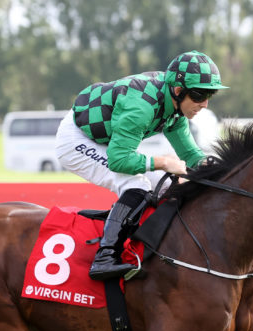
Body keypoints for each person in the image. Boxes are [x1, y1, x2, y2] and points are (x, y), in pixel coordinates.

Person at [55, 50, 228, 280]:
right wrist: (163, 162)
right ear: (178, 91)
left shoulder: (174, 108)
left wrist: (216, 168)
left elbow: (189, 154)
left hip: (109, 140)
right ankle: (104, 258)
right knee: (136, 185)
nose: (205, 104)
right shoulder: (142, 108)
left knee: (168, 186)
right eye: (199, 96)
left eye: (210, 95)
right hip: (76, 140)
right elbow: (119, 160)